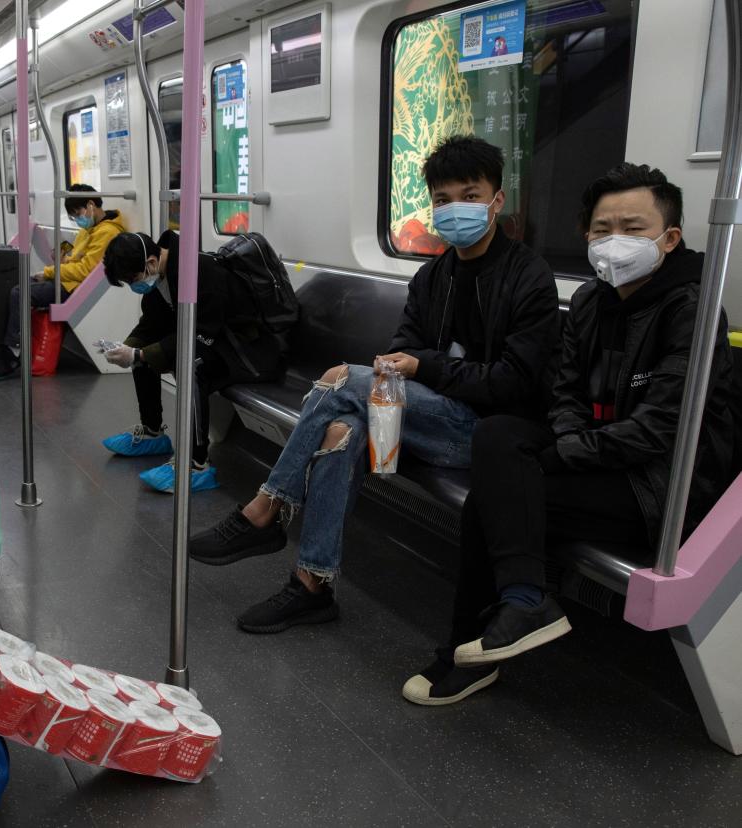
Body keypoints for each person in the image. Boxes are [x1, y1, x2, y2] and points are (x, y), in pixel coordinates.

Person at [188, 135, 561, 635]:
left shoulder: (528, 278)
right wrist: (416, 368)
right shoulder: (433, 277)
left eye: (471, 196)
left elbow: (514, 381)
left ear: (497, 201)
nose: (457, 210)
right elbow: (402, 348)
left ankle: (266, 508)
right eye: (443, 200)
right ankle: (311, 585)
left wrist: (424, 367)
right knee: (341, 431)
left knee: (340, 379)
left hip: (483, 432)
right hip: (425, 413)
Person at [403, 163, 737, 706]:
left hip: (659, 485)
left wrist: (564, 452)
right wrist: (568, 441)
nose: (614, 242)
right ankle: (522, 599)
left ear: (670, 238)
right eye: (602, 230)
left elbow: (661, 428)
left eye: (632, 228)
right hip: (593, 456)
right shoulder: (589, 302)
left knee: (491, 499)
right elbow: (566, 393)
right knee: (499, 436)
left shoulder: (694, 311)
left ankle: (470, 647)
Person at [96, 229, 287, 492]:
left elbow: (203, 332)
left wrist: (142, 353)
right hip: (216, 341)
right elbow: (152, 323)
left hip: (247, 350)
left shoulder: (200, 270)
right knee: (142, 354)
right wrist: (129, 348)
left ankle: (196, 463)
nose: (135, 287)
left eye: (133, 280)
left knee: (189, 366)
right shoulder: (160, 275)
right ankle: (153, 432)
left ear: (151, 263)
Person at [0, 184, 126, 380]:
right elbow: (76, 259)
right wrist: (61, 262)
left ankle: (13, 355)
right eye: (73, 217)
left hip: (76, 288)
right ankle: (3, 347)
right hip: (68, 281)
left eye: (77, 213)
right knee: (17, 286)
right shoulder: (90, 229)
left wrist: (50, 272)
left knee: (20, 293)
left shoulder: (107, 232)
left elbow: (85, 271)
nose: (77, 220)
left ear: (91, 204)